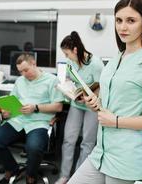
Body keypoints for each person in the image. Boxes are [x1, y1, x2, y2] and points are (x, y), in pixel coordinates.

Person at [68, 0, 142, 184]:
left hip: (126, 158)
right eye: (119, 20)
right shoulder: (118, 57)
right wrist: (97, 102)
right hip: (101, 152)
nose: (122, 27)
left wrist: (116, 121)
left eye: (131, 20)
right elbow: (116, 99)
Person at [0, 53, 64, 184]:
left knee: (33, 147)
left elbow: (58, 107)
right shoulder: (20, 81)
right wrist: (7, 112)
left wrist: (35, 107)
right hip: (18, 120)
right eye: (20, 71)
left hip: (38, 122)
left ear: (34, 63)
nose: (23, 74)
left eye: (26, 70)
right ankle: (12, 169)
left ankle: (31, 174)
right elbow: (12, 102)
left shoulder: (52, 80)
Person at [55, 31, 103, 184]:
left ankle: (78, 178)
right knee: (68, 140)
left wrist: (89, 97)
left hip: (91, 107)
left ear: (75, 50)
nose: (66, 57)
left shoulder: (96, 64)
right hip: (76, 104)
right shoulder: (70, 63)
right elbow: (69, 79)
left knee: (87, 143)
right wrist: (67, 89)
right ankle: (64, 175)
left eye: (67, 54)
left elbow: (101, 86)